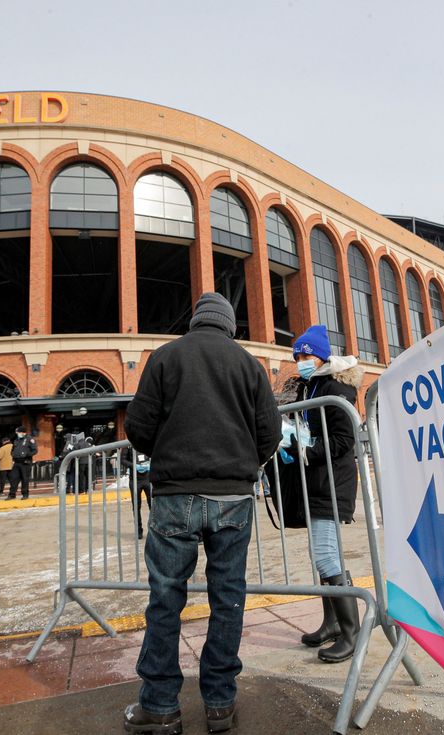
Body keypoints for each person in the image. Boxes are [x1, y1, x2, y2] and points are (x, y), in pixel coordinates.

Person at [122, 292, 281, 734]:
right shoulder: (249, 365)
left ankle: (159, 706)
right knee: (227, 599)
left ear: (196, 321)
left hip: (174, 494)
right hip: (232, 497)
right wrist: (241, 464)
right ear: (229, 324)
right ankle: (219, 703)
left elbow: (137, 426)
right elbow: (271, 431)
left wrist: (169, 454)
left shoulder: (165, 358)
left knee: (165, 599)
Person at [289, 324, 364, 664]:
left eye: (304, 355)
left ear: (319, 356)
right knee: (322, 555)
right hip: (319, 480)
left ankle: (351, 632)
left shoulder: (335, 387)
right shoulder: (313, 385)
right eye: (297, 356)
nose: (299, 361)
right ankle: (332, 623)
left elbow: (344, 440)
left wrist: (308, 450)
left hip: (333, 481)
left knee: (326, 554)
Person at [7, 427, 36, 499]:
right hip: (16, 462)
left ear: (23, 433)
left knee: (25, 479)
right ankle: (12, 494)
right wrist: (13, 454)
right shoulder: (16, 440)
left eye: (19, 432)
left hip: (25, 462)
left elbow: (34, 450)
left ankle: (25, 494)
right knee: (14, 478)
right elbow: (13, 449)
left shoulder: (29, 439)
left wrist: (26, 454)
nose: (18, 434)